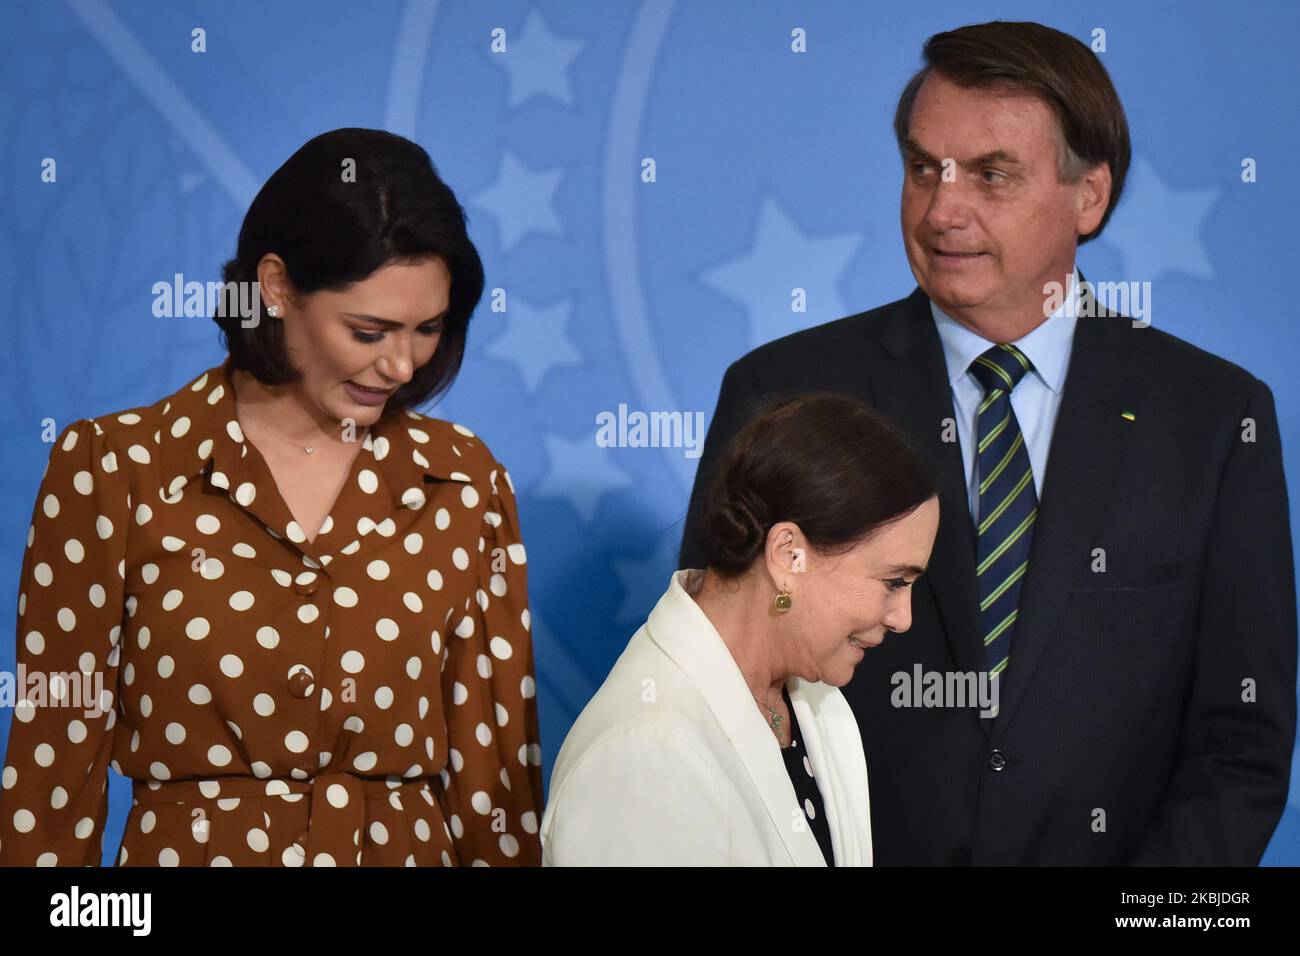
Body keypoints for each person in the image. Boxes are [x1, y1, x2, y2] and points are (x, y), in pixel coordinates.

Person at [680, 21, 1297, 866]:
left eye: (991, 175)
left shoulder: (1217, 419)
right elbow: (713, 696)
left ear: (1089, 196)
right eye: (922, 167)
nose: (941, 208)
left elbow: (1242, 744)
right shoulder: (780, 394)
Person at [0, 128, 543, 867]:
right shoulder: (116, 465)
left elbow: (498, 788)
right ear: (277, 286)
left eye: (428, 329)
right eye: (369, 329)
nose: (400, 364)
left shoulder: (464, 479)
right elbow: (52, 769)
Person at [542, 393, 939, 865]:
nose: (903, 618)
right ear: (788, 556)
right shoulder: (644, 752)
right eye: (894, 581)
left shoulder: (816, 702)